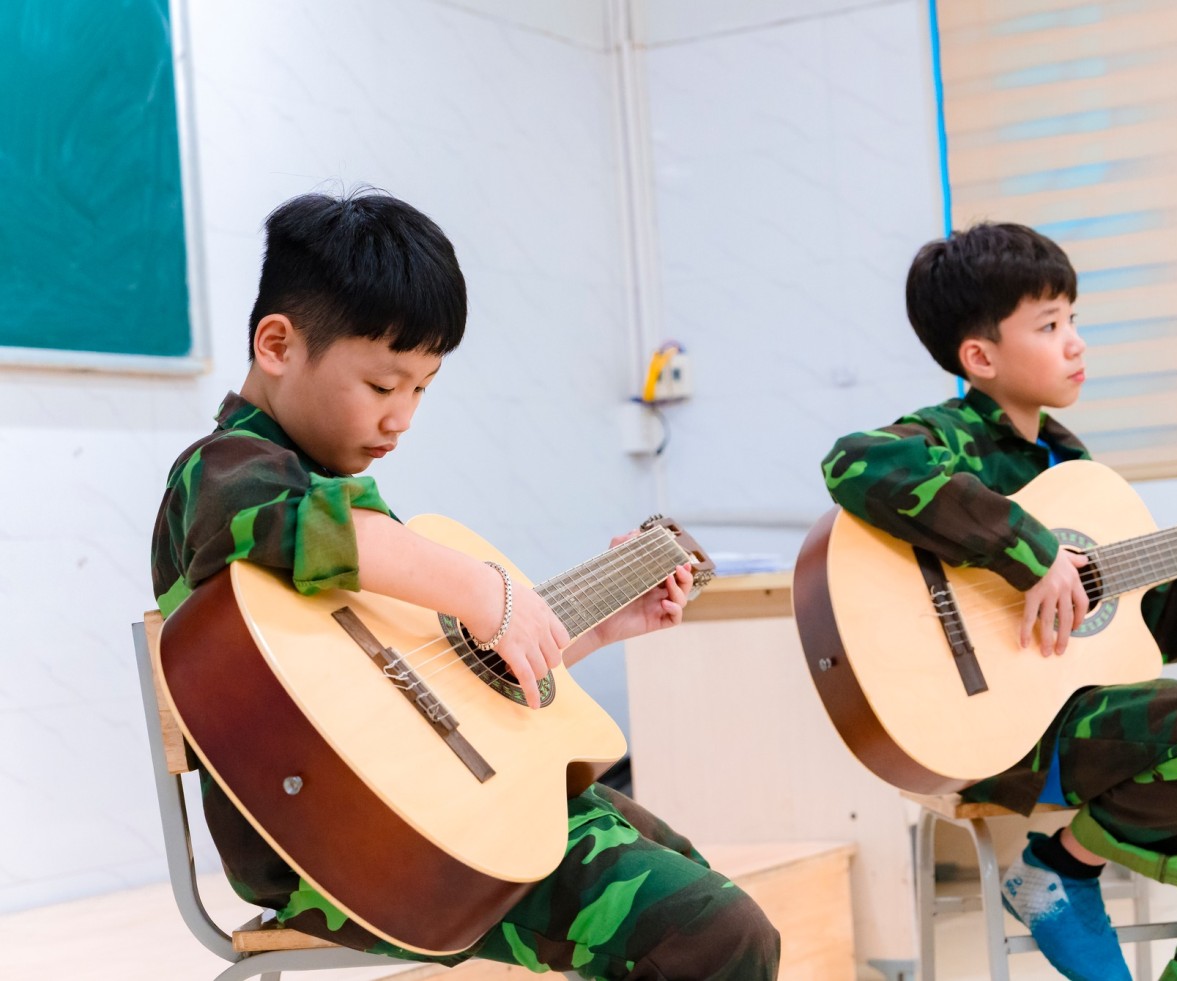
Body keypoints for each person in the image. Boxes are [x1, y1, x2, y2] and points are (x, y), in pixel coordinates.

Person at [151, 189, 779, 979]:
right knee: (714, 933)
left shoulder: (347, 504)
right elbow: (290, 520)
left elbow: (440, 695)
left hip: (429, 808)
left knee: (694, 885)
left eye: (422, 388)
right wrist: (488, 591)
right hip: (342, 844)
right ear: (277, 344)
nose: (403, 418)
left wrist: (596, 626)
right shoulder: (222, 471)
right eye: (383, 386)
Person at [821, 222, 1177, 981]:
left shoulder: (1073, 467)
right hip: (997, 731)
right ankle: (1060, 868)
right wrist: (1030, 552)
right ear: (980, 358)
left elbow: (1174, 619)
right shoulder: (950, 438)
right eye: (1049, 326)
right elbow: (857, 461)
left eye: (1073, 319)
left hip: (1087, 722)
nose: (1076, 342)